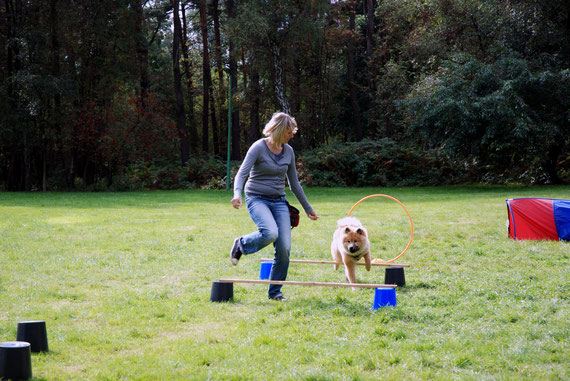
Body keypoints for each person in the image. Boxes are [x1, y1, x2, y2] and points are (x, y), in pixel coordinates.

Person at [230, 112, 319, 301]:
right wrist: (237, 194)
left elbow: (294, 184)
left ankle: (275, 293)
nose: (292, 135)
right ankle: (242, 244)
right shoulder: (258, 148)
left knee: (285, 248)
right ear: (279, 130)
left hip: (278, 200)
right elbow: (241, 174)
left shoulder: (289, 151)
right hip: (256, 197)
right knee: (270, 232)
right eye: (289, 132)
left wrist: (307, 207)